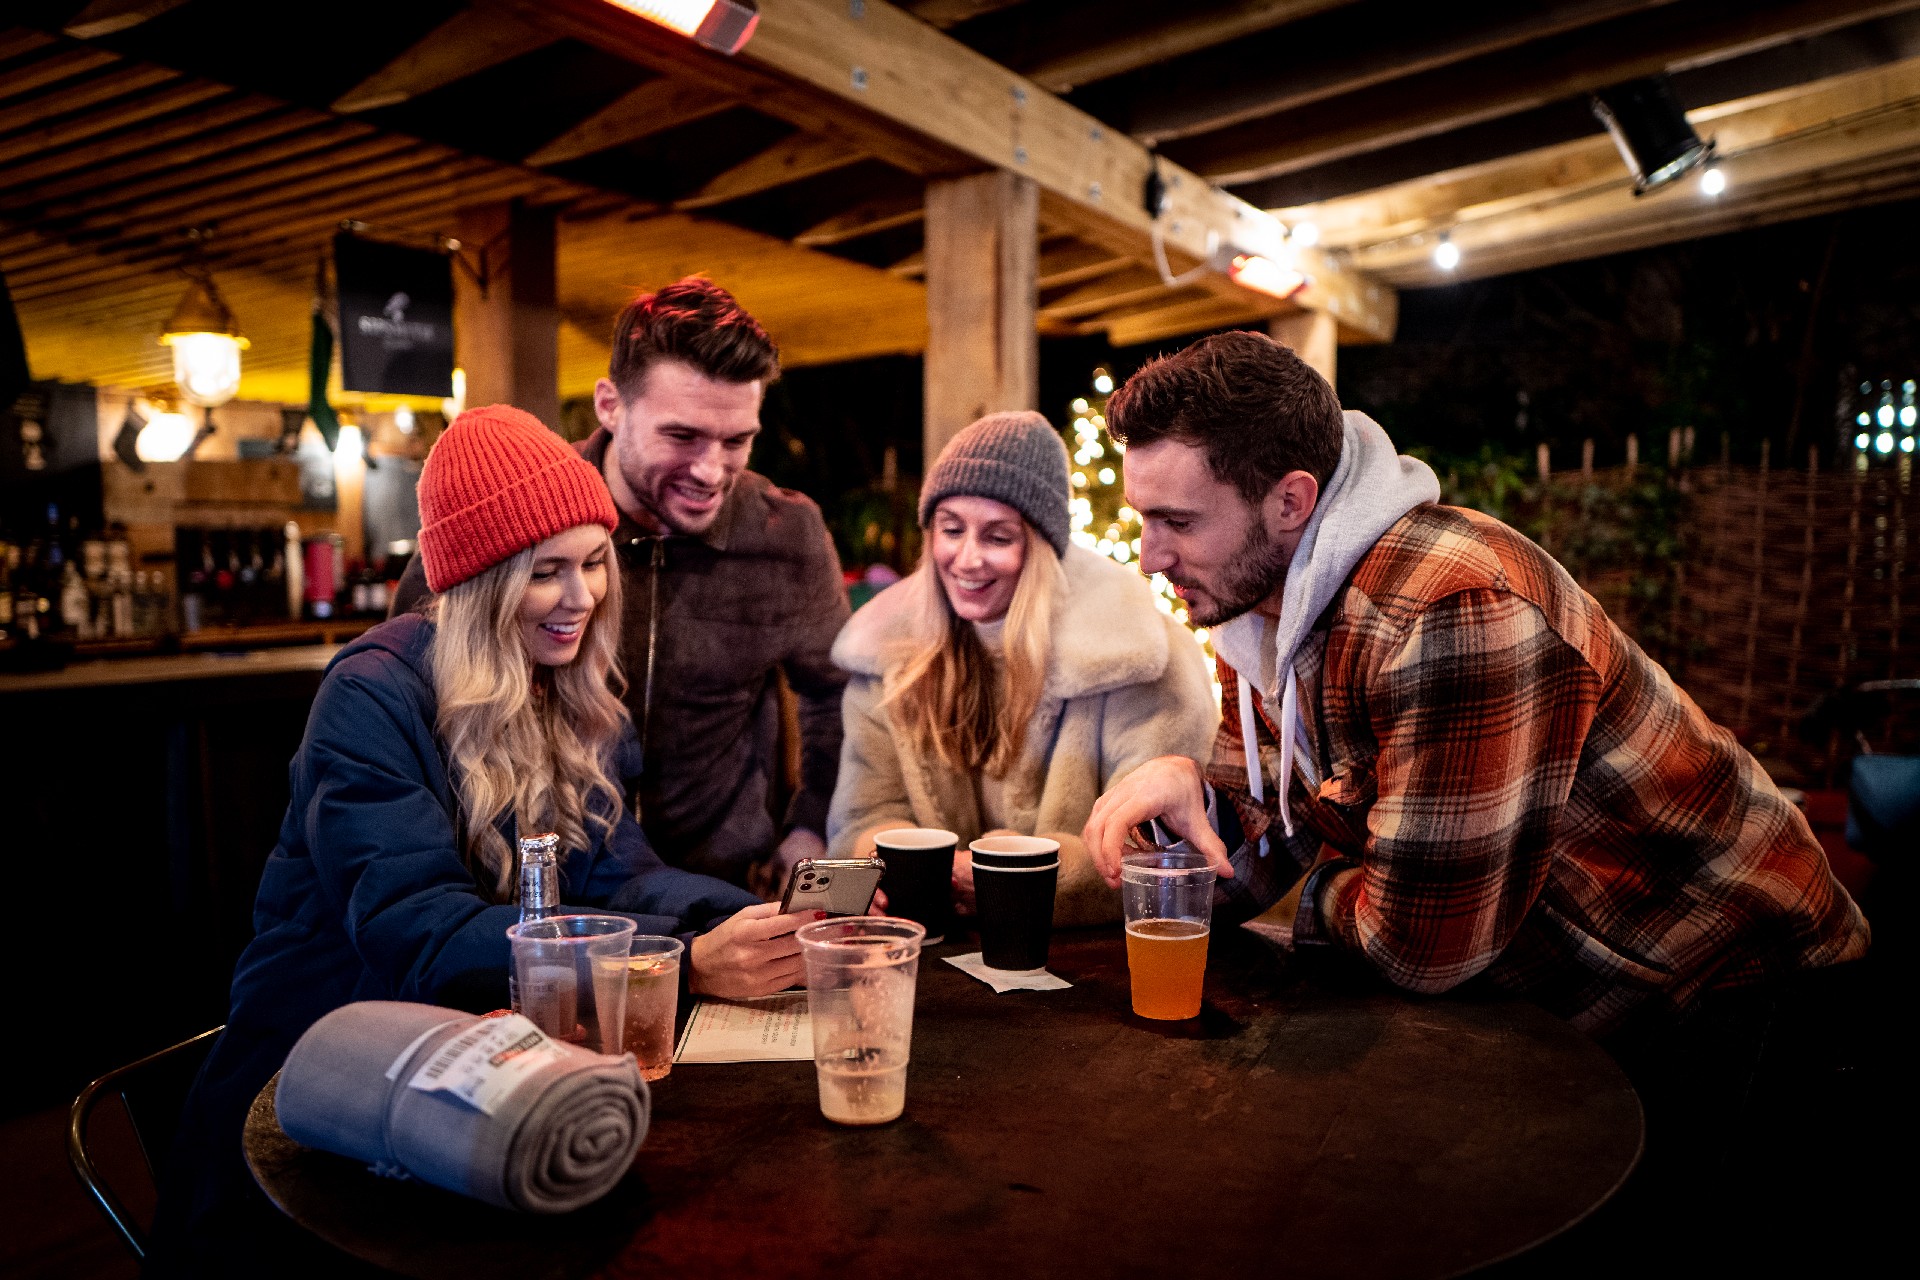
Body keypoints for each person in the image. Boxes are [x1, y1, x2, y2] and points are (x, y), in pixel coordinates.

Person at [1080, 330, 1874, 1262]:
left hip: (1728, 990)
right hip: (1571, 991)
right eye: (1145, 520)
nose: (1148, 557)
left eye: (1176, 521)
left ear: (1291, 500)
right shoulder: (1266, 610)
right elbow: (1262, 835)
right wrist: (1195, 807)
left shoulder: (1453, 610)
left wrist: (1311, 885)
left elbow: (1418, 949)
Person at [152, 405, 808, 1276]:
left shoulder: (563, 688)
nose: (582, 598)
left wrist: (764, 920)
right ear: (481, 580)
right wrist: (678, 964)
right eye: (547, 572)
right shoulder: (372, 695)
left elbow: (625, 873)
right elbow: (417, 930)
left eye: (594, 563)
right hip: (317, 1101)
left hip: (479, 1065)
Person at [392, 278, 850, 896]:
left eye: (737, 440)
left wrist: (809, 827)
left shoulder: (786, 531)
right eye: (681, 436)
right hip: (534, 896)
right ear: (610, 404)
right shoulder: (506, 516)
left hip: (720, 890)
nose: (712, 471)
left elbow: (836, 694)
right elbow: (413, 691)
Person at [828, 411, 1218, 925]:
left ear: (1038, 547)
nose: (967, 559)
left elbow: (1158, 848)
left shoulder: (1137, 658)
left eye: (997, 537)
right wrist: (882, 864)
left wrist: (1024, 875)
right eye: (951, 529)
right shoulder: (887, 658)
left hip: (1093, 962)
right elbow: (863, 812)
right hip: (933, 950)